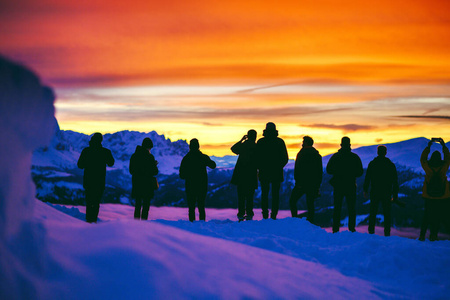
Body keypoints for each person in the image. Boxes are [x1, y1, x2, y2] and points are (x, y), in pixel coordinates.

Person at [326, 137, 363, 233]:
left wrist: (338, 172)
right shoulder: (354, 157)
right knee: (351, 208)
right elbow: (360, 172)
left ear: (341, 145)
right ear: (349, 145)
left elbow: (328, 170)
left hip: (338, 186)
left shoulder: (336, 157)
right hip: (350, 185)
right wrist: (350, 173)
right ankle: (351, 229)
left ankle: (335, 229)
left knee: (337, 208)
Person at [77, 133, 115, 223]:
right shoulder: (105, 152)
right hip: (100, 181)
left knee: (89, 201)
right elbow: (111, 163)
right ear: (101, 141)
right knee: (96, 202)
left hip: (88, 180)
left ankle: (88, 220)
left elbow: (80, 165)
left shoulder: (86, 151)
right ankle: (93, 221)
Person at [363, 145, 399, 236]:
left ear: (377, 152)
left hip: (374, 191)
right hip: (386, 192)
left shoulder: (372, 163)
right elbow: (395, 181)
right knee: (387, 213)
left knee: (373, 212)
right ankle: (387, 233)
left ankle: (371, 232)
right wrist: (395, 194)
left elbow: (367, 178)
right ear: (385, 152)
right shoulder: (390, 164)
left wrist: (365, 190)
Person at [256, 122, 289, 220]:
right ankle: (274, 214)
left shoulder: (261, 142)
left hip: (264, 172)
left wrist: (260, 167)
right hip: (276, 172)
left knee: (264, 194)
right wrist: (278, 166)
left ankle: (265, 214)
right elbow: (285, 158)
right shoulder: (280, 142)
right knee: (275, 195)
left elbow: (256, 157)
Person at [419, 138, 450, 241]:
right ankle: (435, 236)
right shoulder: (443, 167)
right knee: (440, 216)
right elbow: (448, 158)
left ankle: (424, 235)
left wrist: (428, 147)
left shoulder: (428, 168)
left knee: (427, 216)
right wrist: (444, 146)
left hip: (429, 196)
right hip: (443, 196)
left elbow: (422, 159)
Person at [179, 139, 216, 222]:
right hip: (202, 185)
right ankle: (202, 224)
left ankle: (192, 225)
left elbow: (182, 175)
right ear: (198, 146)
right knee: (201, 206)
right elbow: (213, 165)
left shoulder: (186, 158)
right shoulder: (203, 157)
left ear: (189, 147)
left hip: (190, 185)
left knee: (191, 207)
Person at [289, 136, 322, 224]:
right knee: (310, 203)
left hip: (301, 183)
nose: (302, 143)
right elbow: (319, 172)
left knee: (292, 201)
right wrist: (317, 185)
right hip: (312, 184)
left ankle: (294, 219)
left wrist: (297, 181)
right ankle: (311, 221)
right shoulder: (317, 155)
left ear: (306, 143)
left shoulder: (301, 154)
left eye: (303, 142)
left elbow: (298, 169)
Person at [231, 130, 258, 221]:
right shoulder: (256, 147)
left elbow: (233, 149)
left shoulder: (243, 146)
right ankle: (249, 214)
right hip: (251, 175)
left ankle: (241, 214)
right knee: (250, 196)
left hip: (241, 175)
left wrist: (241, 140)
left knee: (241, 196)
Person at [129, 138, 159, 220]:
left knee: (137, 205)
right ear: (148, 147)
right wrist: (154, 165)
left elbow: (131, 170)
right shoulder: (150, 157)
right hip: (147, 185)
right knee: (146, 206)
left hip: (137, 184)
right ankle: (143, 224)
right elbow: (154, 172)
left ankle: (136, 223)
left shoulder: (134, 156)